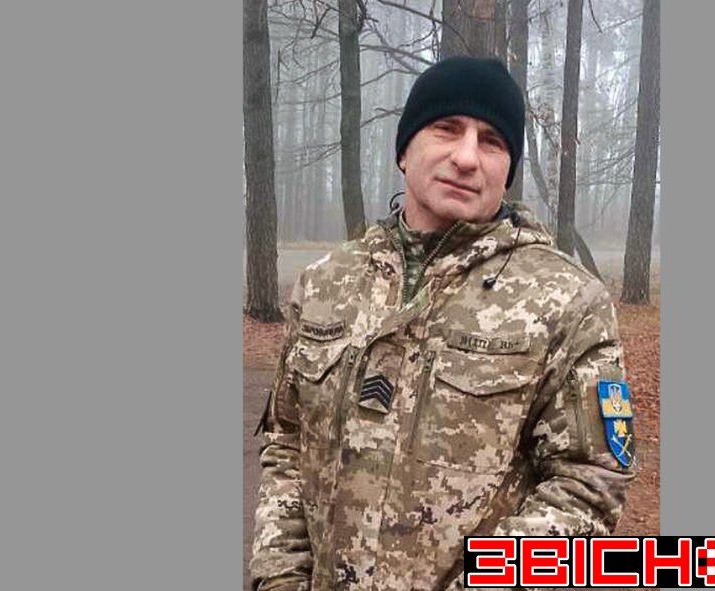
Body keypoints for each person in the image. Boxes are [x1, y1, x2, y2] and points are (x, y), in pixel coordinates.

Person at [250, 56, 635, 591]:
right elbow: (287, 445)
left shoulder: (567, 302)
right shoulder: (325, 284)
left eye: (492, 141)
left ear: (507, 169)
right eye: (447, 129)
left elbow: (588, 485)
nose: (467, 157)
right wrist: (279, 579)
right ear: (404, 150)